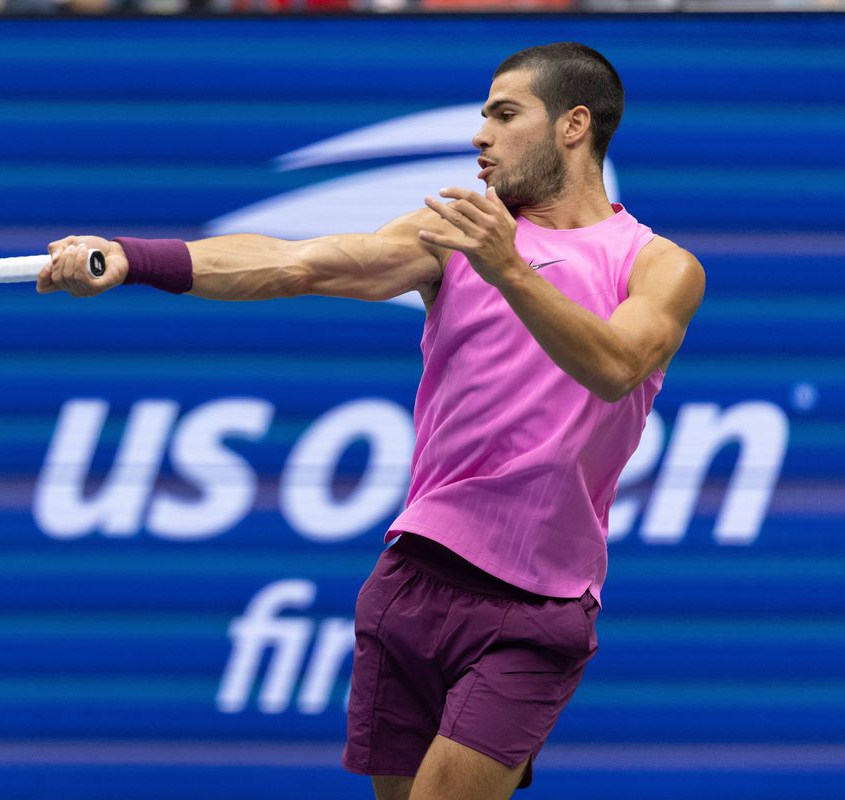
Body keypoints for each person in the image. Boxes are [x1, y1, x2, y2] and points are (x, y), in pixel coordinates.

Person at [40, 42, 704, 800]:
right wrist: (133, 258)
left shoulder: (658, 265)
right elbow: (299, 263)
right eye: (482, 115)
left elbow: (617, 367)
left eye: (504, 113)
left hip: (536, 605)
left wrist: (509, 268)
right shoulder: (454, 238)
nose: (480, 134)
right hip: (413, 578)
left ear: (573, 125)